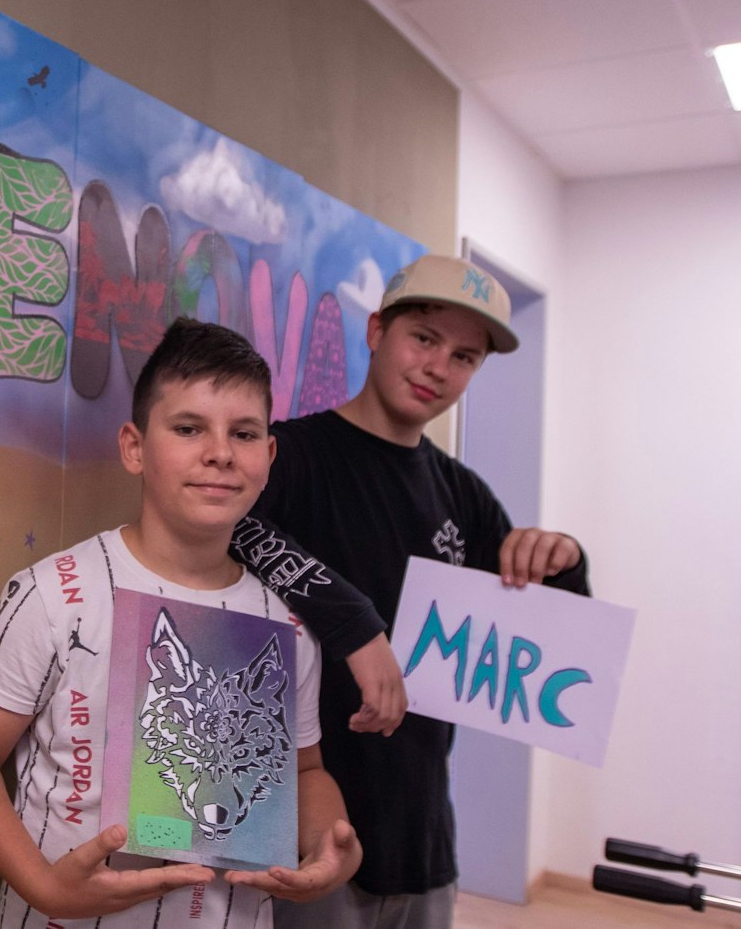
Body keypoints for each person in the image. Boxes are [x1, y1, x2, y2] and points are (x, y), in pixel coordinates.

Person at [0, 319, 362, 928]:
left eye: (243, 433)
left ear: (267, 457)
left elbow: (305, 770)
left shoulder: (286, 626)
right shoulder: (55, 595)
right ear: (134, 447)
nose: (220, 452)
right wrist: (44, 888)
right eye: (188, 428)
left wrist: (328, 843)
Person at [246, 254, 590, 929]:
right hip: (296, 837)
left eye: (464, 356)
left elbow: (558, 651)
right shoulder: (290, 456)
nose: (438, 367)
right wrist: (354, 622)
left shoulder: (465, 494)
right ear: (377, 330)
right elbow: (228, 531)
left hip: (424, 841)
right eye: (424, 338)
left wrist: (566, 562)